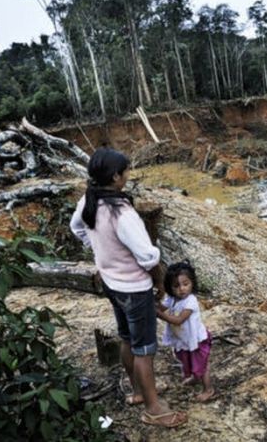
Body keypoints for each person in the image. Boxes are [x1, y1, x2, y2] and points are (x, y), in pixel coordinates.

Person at [70, 147, 186, 428]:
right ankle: (153, 408)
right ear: (115, 176)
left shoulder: (90, 199)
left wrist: (101, 253)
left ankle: (138, 391)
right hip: (134, 289)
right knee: (145, 348)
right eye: (126, 171)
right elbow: (148, 256)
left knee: (126, 339)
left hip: (112, 284)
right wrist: (159, 281)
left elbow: (77, 228)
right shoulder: (122, 212)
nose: (128, 175)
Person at [157, 261, 216, 402]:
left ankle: (208, 389)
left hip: (196, 340)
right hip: (184, 340)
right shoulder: (171, 299)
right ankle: (195, 378)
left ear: (192, 283)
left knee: (201, 365)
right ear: (170, 287)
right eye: (176, 286)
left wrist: (159, 314)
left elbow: (179, 320)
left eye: (185, 284)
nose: (181, 289)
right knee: (187, 361)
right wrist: (154, 302)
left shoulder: (191, 301)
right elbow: (161, 306)